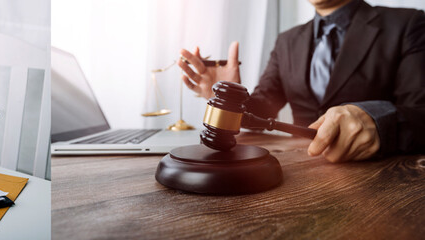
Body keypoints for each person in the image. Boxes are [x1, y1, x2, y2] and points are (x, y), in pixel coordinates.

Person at [178, 0, 424, 162]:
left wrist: (377, 118)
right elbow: (263, 108)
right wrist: (228, 98)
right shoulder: (288, 41)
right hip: (298, 170)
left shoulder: (408, 24)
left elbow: (420, 113)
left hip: (382, 177)